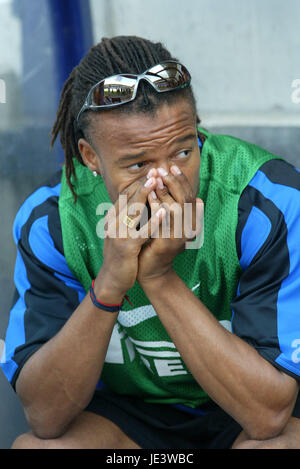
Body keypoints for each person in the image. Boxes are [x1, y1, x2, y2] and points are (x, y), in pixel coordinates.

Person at [1, 36, 300, 450]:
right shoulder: (53, 220)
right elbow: (45, 416)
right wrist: (108, 284)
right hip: (130, 422)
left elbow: (267, 416)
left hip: (238, 417)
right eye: (138, 164)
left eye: (182, 151)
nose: (164, 181)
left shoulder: (266, 201)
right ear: (90, 157)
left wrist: (158, 277)